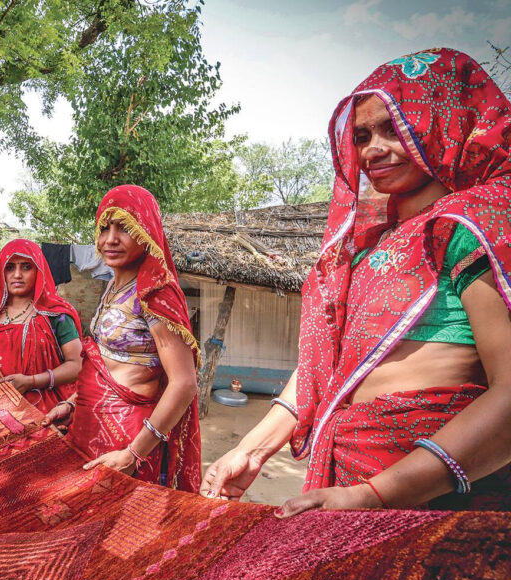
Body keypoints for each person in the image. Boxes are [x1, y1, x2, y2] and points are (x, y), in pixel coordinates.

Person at [202, 48, 511, 515]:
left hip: (429, 496)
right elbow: (321, 375)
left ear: (440, 125)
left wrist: (372, 495)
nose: (372, 149)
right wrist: (251, 448)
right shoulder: (363, 252)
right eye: (363, 135)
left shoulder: (471, 230)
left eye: (395, 127)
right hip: (350, 477)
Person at [46, 185, 202, 490]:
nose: (110, 239)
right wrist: (74, 403)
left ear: (147, 232)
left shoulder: (154, 293)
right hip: (89, 426)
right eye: (104, 228)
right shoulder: (114, 286)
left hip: (126, 438)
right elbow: (108, 363)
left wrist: (134, 454)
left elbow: (184, 383)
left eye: (125, 228)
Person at [0, 239, 83, 414]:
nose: (17, 275)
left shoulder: (56, 316)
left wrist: (32, 381)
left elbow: (77, 365)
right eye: (10, 268)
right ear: (1, 272)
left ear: (38, 271)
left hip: (44, 410)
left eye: (26, 267)